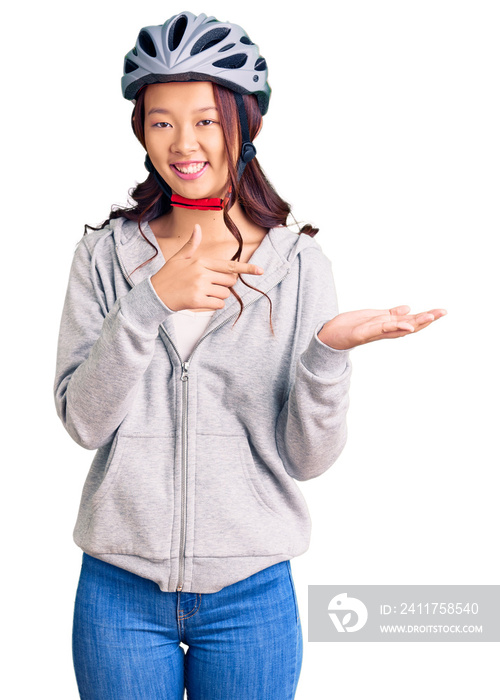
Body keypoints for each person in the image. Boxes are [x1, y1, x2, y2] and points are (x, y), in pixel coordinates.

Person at [53, 11, 447, 700]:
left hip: (252, 595)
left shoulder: (297, 264)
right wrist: (148, 304)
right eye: (161, 120)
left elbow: (307, 461)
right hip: (117, 591)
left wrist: (326, 355)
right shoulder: (105, 255)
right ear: (141, 131)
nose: (184, 142)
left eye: (206, 120)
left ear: (246, 124)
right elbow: (83, 423)